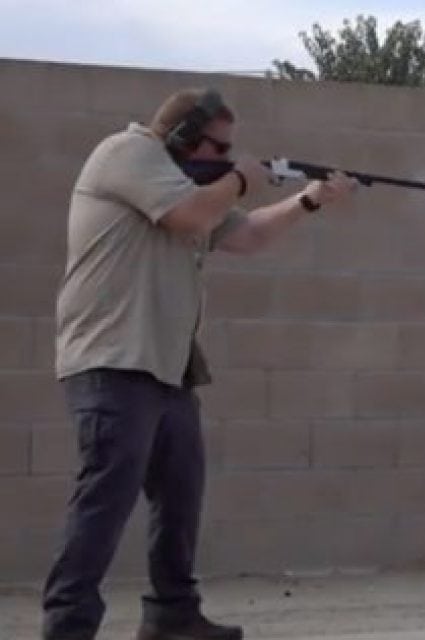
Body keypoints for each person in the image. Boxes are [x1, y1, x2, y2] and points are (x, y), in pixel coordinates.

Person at [42, 87, 358, 640]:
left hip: (166, 366)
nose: (224, 157)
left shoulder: (186, 184)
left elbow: (248, 235)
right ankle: (67, 627)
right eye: (219, 147)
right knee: (104, 501)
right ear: (184, 137)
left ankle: (172, 614)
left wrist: (308, 200)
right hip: (114, 358)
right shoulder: (128, 153)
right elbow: (189, 216)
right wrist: (239, 178)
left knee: (180, 496)